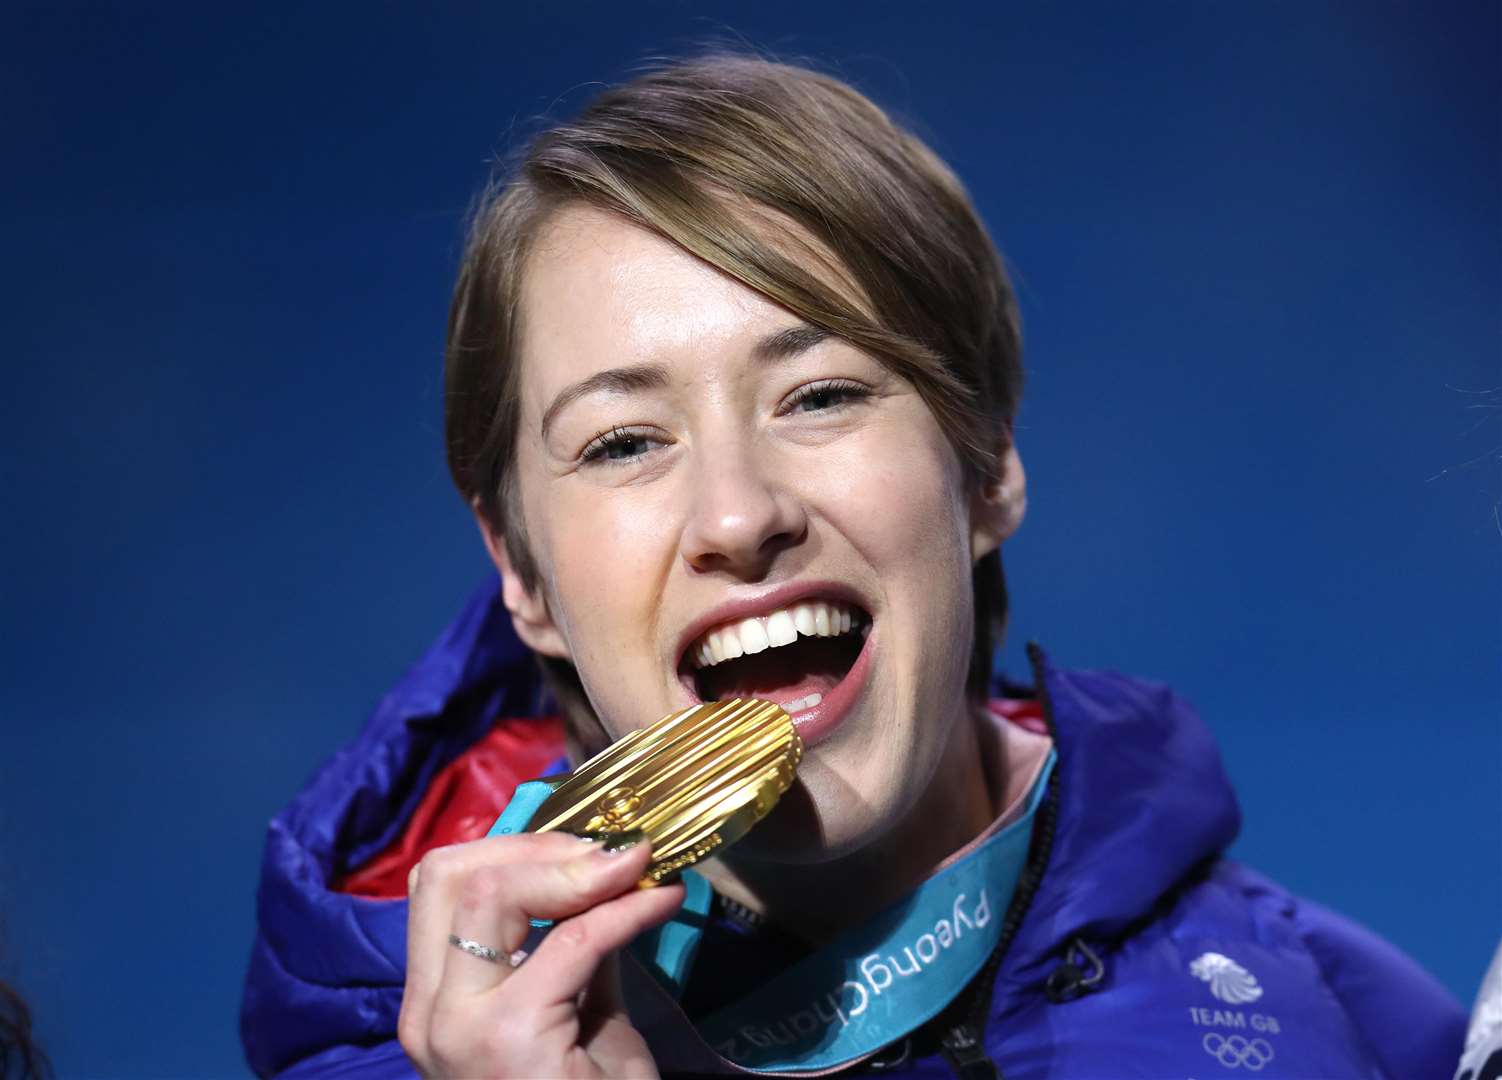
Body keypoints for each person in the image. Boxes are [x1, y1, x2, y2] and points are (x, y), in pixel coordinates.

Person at [240, 54, 1467, 1078]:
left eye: (818, 395)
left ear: (983, 467)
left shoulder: (1333, 1022)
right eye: (622, 443)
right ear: (520, 574)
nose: (736, 512)